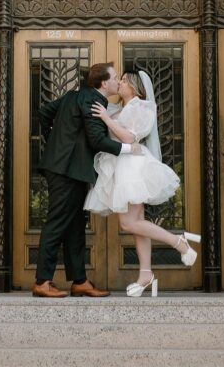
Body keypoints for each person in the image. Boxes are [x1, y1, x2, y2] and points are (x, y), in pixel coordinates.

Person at [85, 69, 201, 298]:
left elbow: (130, 137)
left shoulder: (142, 106)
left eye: (125, 80)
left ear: (135, 87)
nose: (120, 82)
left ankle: (178, 241)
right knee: (137, 223)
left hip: (133, 167)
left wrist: (107, 119)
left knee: (128, 224)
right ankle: (145, 273)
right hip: (121, 165)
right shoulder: (118, 109)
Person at [33, 62, 142, 298]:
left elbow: (44, 113)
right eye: (114, 78)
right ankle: (42, 281)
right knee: (57, 223)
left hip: (69, 169)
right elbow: (97, 141)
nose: (117, 81)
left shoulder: (74, 95)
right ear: (104, 83)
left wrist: (55, 141)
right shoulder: (94, 102)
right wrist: (128, 148)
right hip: (66, 171)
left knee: (74, 225)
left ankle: (79, 280)